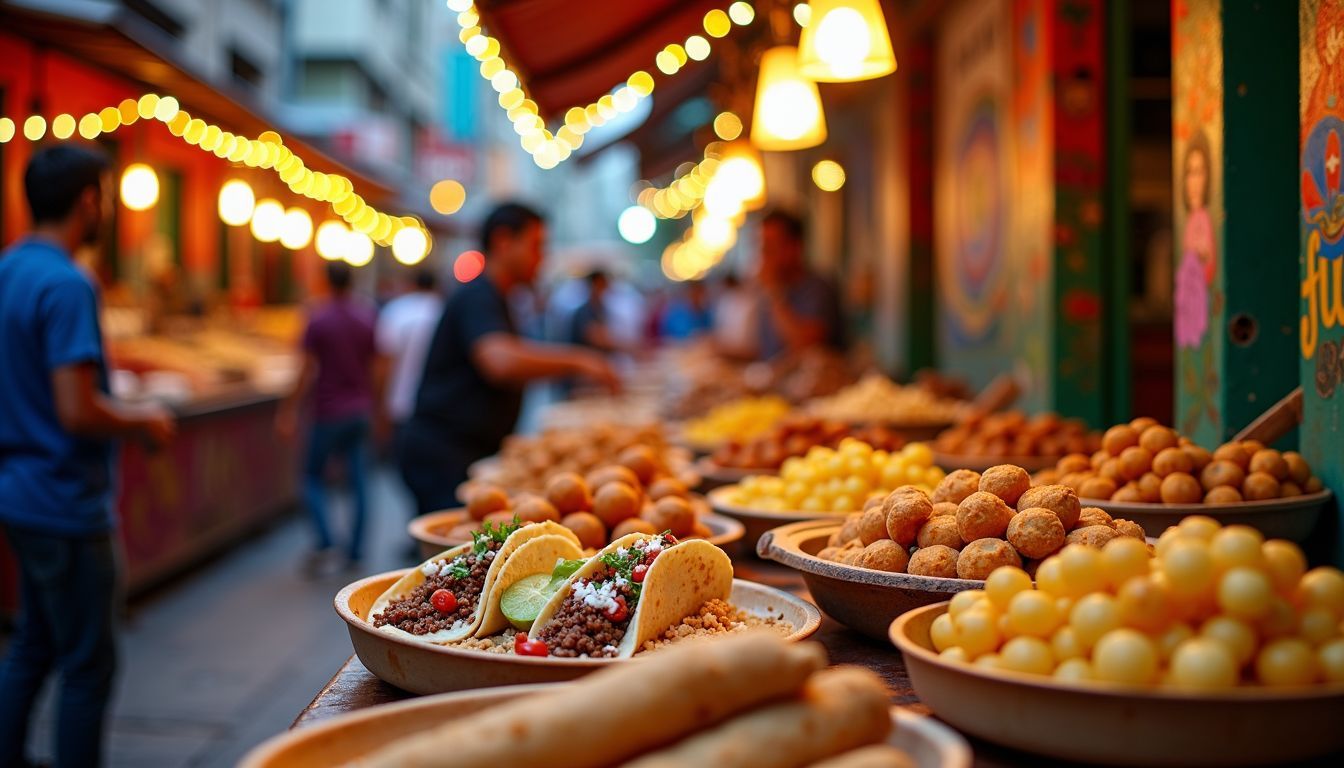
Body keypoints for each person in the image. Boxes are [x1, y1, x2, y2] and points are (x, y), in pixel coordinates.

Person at [0, 145, 176, 768]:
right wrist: (143, 421)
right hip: (64, 501)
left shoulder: (8, 269)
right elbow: (76, 409)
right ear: (87, 201)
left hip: (17, 490)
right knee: (87, 665)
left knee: (33, 643)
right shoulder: (68, 282)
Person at [399, 202, 619, 516]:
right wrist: (578, 360)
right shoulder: (477, 294)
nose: (542, 258)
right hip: (445, 453)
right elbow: (499, 361)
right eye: (536, 246)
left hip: (468, 451)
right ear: (503, 241)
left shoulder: (501, 298)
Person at [276, 261, 382, 574]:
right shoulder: (367, 317)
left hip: (327, 411)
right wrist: (375, 405)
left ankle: (324, 540)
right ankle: (356, 550)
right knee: (360, 481)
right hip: (359, 410)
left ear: (325, 281)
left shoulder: (318, 319)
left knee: (311, 476)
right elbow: (378, 367)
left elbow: (307, 370)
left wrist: (288, 409)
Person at [756, 209, 844, 358]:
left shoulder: (818, 289)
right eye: (763, 248)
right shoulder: (776, 290)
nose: (764, 255)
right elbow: (768, 356)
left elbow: (807, 347)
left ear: (795, 247)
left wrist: (774, 294)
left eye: (771, 247)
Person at [376, 268, 444, 432]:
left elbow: (385, 360)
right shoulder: (442, 310)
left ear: (412, 285)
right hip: (436, 403)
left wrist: (380, 401)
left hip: (399, 401)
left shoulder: (398, 310)